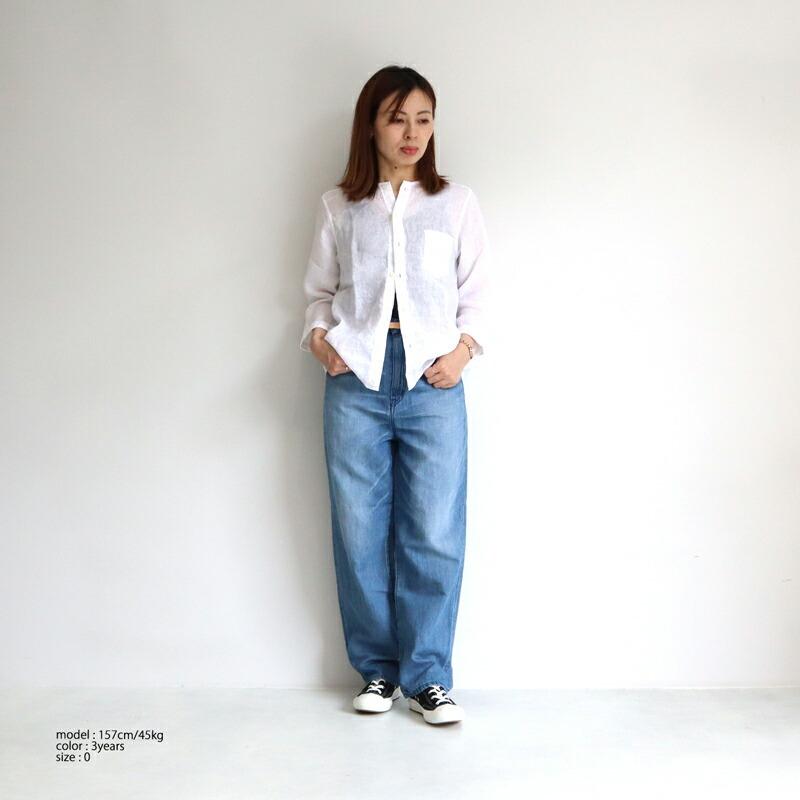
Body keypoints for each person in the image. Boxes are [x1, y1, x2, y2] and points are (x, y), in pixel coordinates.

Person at [299, 65, 491, 725]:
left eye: (423, 118)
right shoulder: (339, 206)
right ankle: (378, 672)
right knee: (359, 530)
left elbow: (479, 294)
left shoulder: (456, 203)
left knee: (433, 530)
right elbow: (318, 293)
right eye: (397, 118)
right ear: (370, 125)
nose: (412, 132)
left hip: (433, 378)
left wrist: (461, 354)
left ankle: (429, 677)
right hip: (356, 376)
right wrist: (321, 343)